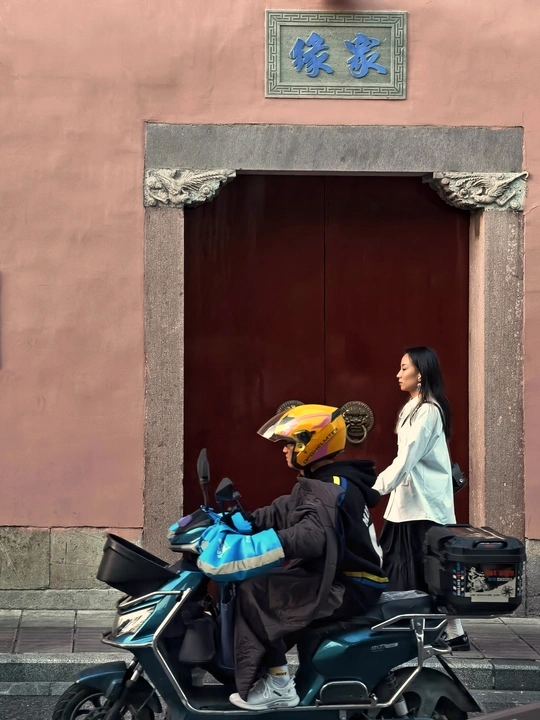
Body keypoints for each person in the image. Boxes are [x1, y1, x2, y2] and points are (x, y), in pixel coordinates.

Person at [228, 403, 388, 710]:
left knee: (254, 589)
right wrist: (240, 521)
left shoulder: (330, 487)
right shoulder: (327, 481)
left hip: (350, 585)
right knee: (262, 583)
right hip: (341, 576)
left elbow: (312, 535)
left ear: (311, 443)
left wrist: (261, 544)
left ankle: (279, 685)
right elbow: (285, 510)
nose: (284, 449)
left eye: (289, 443)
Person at [374, 346, 469, 650]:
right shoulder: (413, 407)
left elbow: (406, 458)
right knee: (417, 569)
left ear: (421, 373)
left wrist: (375, 488)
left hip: (422, 507)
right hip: (408, 505)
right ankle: (451, 633)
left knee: (422, 571)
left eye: (404, 368)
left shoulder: (428, 410)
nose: (398, 374)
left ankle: (434, 631)